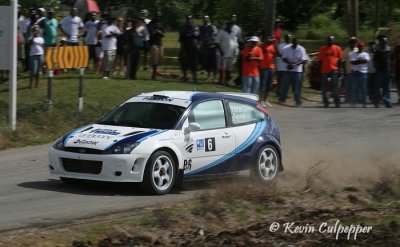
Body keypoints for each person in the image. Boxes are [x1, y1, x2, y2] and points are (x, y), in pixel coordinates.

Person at [317, 35, 344, 108]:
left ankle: (337, 101)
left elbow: (340, 60)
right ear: (327, 40)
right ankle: (326, 101)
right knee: (324, 88)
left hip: (334, 70)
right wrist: (320, 71)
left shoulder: (337, 48)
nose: (330, 41)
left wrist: (340, 70)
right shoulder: (322, 49)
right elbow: (319, 60)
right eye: (329, 40)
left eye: (331, 40)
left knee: (335, 87)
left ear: (333, 40)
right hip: (324, 70)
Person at [279, 37, 307, 106]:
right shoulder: (286, 48)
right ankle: (282, 99)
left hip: (297, 71)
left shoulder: (301, 49)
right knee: (285, 85)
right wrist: (290, 64)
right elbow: (284, 58)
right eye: (294, 43)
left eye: (296, 43)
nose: (295, 45)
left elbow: (303, 60)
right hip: (288, 70)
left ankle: (297, 101)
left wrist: (295, 64)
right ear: (292, 43)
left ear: (298, 43)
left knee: (297, 86)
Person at [216, 15, 241, 85]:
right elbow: (217, 42)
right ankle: (221, 81)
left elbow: (238, 41)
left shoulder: (234, 32)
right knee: (222, 68)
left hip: (232, 53)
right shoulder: (221, 32)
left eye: (231, 25)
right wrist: (221, 51)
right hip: (223, 53)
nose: (230, 26)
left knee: (229, 68)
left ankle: (226, 81)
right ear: (226, 25)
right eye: (229, 25)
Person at [178, 15, 200, 83]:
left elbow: (197, 35)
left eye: (190, 19)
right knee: (184, 63)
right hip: (185, 47)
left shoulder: (195, 27)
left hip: (193, 48)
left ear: (192, 20)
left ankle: (195, 78)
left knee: (194, 64)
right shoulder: (183, 28)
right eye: (188, 19)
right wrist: (182, 50)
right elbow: (181, 39)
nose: (189, 20)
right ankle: (185, 77)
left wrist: (191, 34)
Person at [373, 35, 393, 108]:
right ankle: (376, 102)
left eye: (385, 41)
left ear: (387, 42)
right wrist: (377, 68)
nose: (384, 42)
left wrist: (392, 71)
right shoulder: (377, 50)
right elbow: (374, 61)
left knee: (387, 87)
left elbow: (392, 61)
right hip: (379, 72)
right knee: (377, 87)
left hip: (388, 71)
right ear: (381, 42)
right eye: (383, 41)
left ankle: (387, 102)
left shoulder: (390, 50)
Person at [259, 36, 279, 105]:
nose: (271, 41)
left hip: (271, 67)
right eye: (270, 40)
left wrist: (276, 46)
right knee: (263, 84)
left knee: (269, 85)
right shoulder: (262, 45)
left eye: (272, 40)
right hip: (264, 67)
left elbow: (277, 55)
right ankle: (261, 100)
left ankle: (265, 99)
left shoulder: (273, 46)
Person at [350, 41, 370, 107]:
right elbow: (352, 62)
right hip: (355, 72)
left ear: (363, 47)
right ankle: (353, 102)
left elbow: (366, 61)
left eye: (361, 46)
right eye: (359, 46)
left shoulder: (366, 54)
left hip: (363, 73)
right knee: (354, 88)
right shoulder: (353, 53)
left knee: (363, 89)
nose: (360, 47)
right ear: (357, 47)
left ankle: (364, 103)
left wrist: (357, 61)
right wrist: (361, 61)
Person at [148, 11, 165, 80]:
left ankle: (155, 72)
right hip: (153, 43)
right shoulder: (151, 24)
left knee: (160, 57)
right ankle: (153, 75)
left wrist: (158, 31)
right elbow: (151, 33)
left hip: (160, 43)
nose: (158, 17)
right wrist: (158, 32)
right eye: (157, 16)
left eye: (159, 16)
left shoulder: (161, 23)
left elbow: (163, 34)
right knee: (155, 59)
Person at [343, 37, 358, 102]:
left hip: (356, 71)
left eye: (354, 42)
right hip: (348, 71)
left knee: (355, 86)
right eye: (351, 42)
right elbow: (343, 61)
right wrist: (344, 71)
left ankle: (355, 99)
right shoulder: (345, 50)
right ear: (349, 43)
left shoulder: (357, 49)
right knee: (347, 86)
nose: (353, 43)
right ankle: (347, 99)